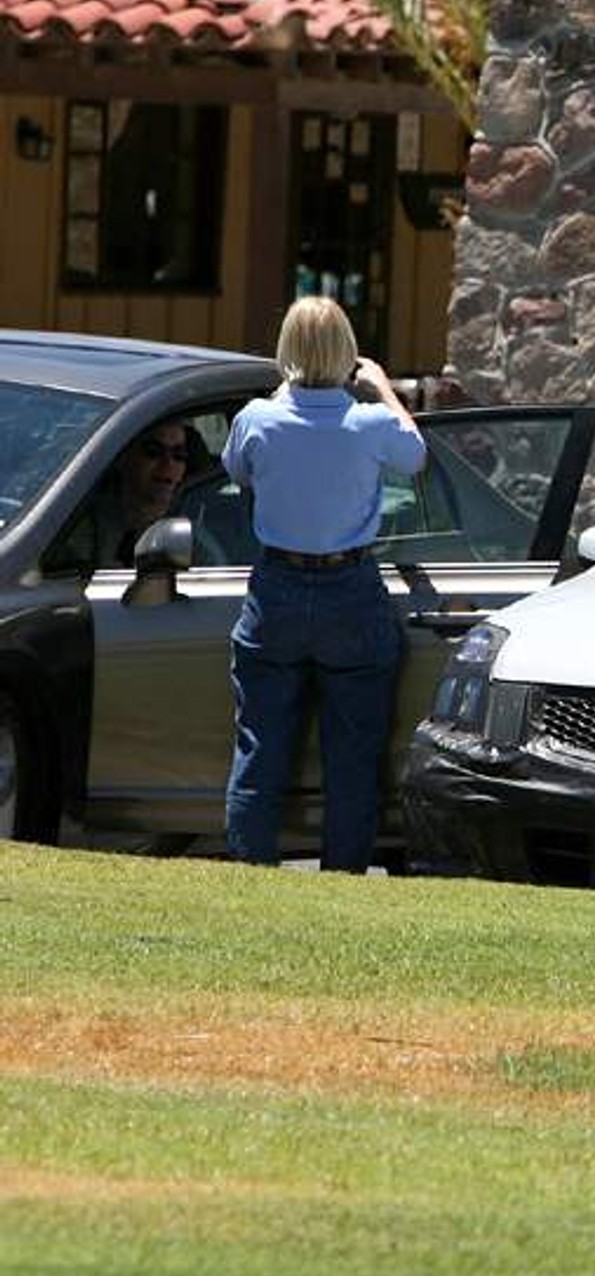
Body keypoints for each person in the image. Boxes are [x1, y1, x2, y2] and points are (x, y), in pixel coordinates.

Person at [221, 297, 426, 871]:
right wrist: (382, 386)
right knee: (355, 756)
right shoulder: (369, 422)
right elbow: (415, 457)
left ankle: (248, 875)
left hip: (277, 587)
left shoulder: (257, 418)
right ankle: (343, 879)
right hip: (351, 588)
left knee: (259, 748)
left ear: (284, 352)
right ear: (348, 354)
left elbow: (238, 471)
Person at [66, 419, 197, 568]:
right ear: (122, 457)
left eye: (179, 455)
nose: (168, 464)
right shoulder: (83, 526)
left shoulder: (194, 538)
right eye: (153, 452)